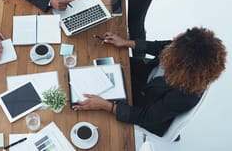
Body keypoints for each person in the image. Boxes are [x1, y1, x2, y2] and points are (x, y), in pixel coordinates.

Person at [73, 27, 227, 137]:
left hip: (145, 107)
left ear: (180, 64)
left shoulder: (185, 95)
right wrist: (126, 42)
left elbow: (146, 117)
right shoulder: (182, 48)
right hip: (146, 79)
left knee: (91, 106)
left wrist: (106, 106)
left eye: (175, 44)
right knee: (105, 60)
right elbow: (159, 46)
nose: (174, 39)